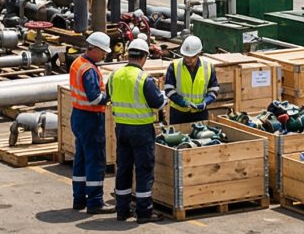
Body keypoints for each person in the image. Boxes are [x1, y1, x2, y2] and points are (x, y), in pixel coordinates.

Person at [110, 36, 167, 223]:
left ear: (128, 55)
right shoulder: (144, 79)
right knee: (143, 170)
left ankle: (122, 209)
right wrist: (164, 96)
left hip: (121, 129)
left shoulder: (114, 75)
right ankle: (144, 212)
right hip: (141, 130)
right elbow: (158, 103)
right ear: (144, 57)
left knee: (124, 169)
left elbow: (109, 96)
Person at [68, 31, 112, 214]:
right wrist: (109, 97)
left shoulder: (78, 63)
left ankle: (79, 199)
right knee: (95, 160)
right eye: (103, 52)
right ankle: (95, 202)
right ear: (94, 49)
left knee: (81, 159)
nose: (104, 56)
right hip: (91, 118)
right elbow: (94, 98)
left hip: (78, 115)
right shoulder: (89, 70)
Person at [163, 35, 220, 125]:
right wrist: (183, 102)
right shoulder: (174, 66)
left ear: (198, 54)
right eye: (186, 56)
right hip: (179, 113)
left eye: (191, 57)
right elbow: (168, 90)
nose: (188, 60)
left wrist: (205, 102)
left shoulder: (208, 67)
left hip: (200, 113)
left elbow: (214, 89)